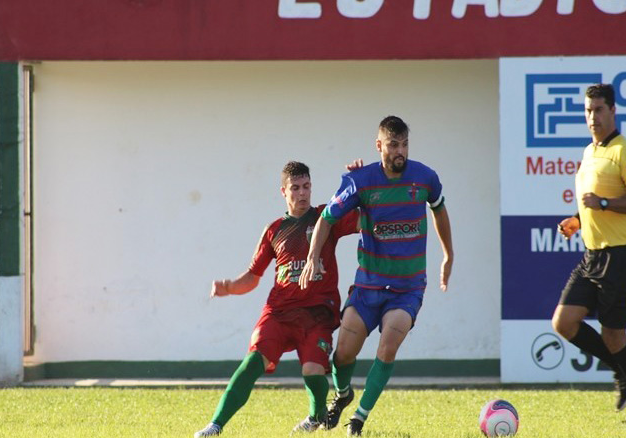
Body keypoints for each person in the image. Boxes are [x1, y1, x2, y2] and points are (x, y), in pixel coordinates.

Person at [300, 115, 454, 436]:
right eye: (394, 145)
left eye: (405, 144)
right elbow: (327, 218)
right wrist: (313, 256)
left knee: (387, 346)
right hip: (369, 286)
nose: (401, 151)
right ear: (379, 146)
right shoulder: (361, 181)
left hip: (407, 289)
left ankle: (358, 418)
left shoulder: (425, 178)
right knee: (342, 354)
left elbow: (439, 209)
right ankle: (343, 395)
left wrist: (448, 254)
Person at [194, 161, 359, 437]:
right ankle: (215, 425)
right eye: (295, 188)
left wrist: (359, 182)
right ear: (283, 191)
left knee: (312, 369)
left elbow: (362, 218)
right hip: (279, 312)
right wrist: (228, 287)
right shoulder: (275, 230)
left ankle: (316, 416)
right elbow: (252, 276)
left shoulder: (326, 217)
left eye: (307, 187)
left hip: (318, 312)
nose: (303, 193)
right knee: (252, 361)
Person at [553, 84, 626, 422]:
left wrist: (603, 204)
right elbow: (590, 202)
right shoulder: (589, 152)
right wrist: (577, 220)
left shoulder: (624, 151)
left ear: (612, 111)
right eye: (588, 111)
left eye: (599, 109)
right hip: (592, 254)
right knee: (564, 322)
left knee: (613, 335)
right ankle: (621, 366)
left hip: (620, 255)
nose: (593, 117)